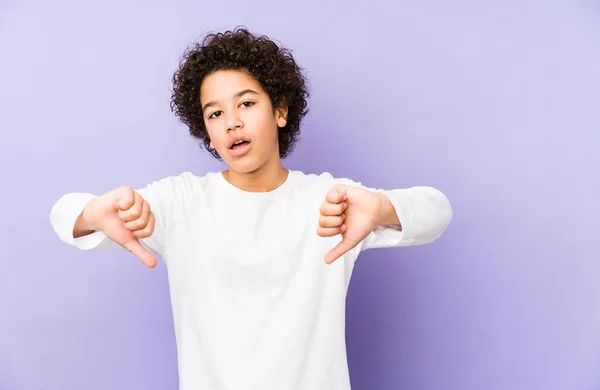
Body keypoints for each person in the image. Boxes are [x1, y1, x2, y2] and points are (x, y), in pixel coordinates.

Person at [49, 27, 453, 390]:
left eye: (246, 103)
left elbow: (437, 211)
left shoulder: (330, 202)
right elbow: (64, 215)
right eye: (216, 113)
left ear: (280, 111)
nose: (232, 123)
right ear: (206, 134)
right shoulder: (181, 203)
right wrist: (92, 213)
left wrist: (382, 207)